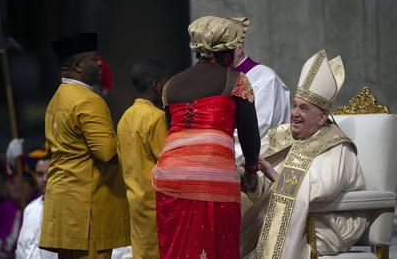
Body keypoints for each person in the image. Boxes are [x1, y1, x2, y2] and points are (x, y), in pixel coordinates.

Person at [151, 16, 262, 259]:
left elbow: (174, 130)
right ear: (227, 50)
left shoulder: (171, 85)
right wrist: (251, 171)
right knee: (216, 248)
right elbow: (250, 136)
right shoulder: (236, 81)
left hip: (170, 176)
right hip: (213, 176)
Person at [240, 50, 367, 258]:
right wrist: (252, 175)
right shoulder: (284, 136)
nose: (294, 113)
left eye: (304, 108)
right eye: (295, 105)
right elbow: (264, 192)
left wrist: (276, 177)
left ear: (322, 117)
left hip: (322, 225)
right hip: (277, 221)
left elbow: (320, 190)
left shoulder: (336, 146)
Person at [39, 32, 130, 259]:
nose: (99, 63)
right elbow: (106, 152)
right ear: (78, 65)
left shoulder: (57, 98)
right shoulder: (87, 100)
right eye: (94, 58)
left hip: (64, 202)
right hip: (87, 205)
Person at [117, 59, 169, 258]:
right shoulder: (156, 117)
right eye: (166, 83)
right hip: (156, 204)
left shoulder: (124, 118)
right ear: (156, 85)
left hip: (134, 203)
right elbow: (167, 163)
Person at [230, 17, 291, 163]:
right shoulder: (219, 79)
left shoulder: (266, 78)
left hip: (262, 161)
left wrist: (219, 144)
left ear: (239, 47)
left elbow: (260, 127)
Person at [16, 156, 57, 259]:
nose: (45, 179)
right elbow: (21, 248)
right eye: (40, 174)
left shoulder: (68, 207)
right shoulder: (30, 209)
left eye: (49, 173)